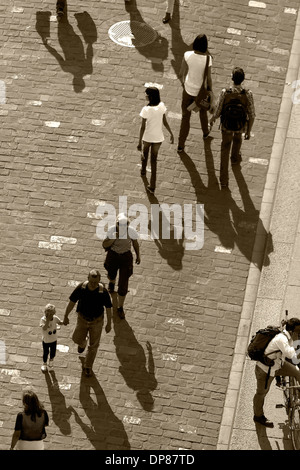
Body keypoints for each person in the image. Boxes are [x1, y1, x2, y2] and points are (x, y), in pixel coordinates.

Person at [210, 67, 255, 188]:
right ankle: (235, 158)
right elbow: (252, 114)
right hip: (240, 125)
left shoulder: (226, 92)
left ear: (232, 78)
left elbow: (218, 110)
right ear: (243, 79)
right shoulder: (247, 94)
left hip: (226, 125)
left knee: (225, 149)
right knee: (238, 138)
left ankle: (224, 181)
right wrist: (248, 131)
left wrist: (213, 118)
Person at [63, 269, 112, 377]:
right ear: (88, 278)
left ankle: (88, 366)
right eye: (91, 282)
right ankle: (82, 343)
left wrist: (109, 323)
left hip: (97, 321)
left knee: (93, 346)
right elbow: (72, 302)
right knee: (76, 338)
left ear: (99, 280)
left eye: (96, 282)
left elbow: (108, 308)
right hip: (82, 319)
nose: (93, 284)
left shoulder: (103, 292)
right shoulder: (81, 288)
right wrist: (66, 315)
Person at [253, 318, 300, 428]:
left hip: (277, 365)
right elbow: (292, 356)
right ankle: (258, 416)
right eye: (298, 333)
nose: (298, 336)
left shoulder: (287, 335)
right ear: (292, 332)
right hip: (265, 370)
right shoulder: (281, 339)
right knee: (261, 393)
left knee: (297, 372)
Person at [177, 34, 213, 153]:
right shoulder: (208, 59)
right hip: (200, 93)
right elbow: (208, 79)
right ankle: (205, 133)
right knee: (203, 113)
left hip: (188, 90)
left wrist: (184, 84)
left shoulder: (187, 55)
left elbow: (181, 73)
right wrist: (210, 91)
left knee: (185, 118)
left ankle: (181, 145)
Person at [102, 213, 141, 319]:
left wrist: (138, 255)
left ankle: (120, 307)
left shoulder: (131, 231)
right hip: (113, 256)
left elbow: (135, 243)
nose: (123, 227)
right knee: (111, 273)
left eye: (125, 224)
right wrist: (114, 237)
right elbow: (105, 245)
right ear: (116, 223)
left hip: (125, 257)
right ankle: (112, 282)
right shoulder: (112, 230)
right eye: (120, 224)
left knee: (123, 283)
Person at [138, 87, 174, 194]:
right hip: (158, 138)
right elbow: (165, 122)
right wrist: (171, 133)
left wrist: (139, 141)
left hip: (148, 137)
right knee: (154, 162)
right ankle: (152, 186)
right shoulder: (162, 106)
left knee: (145, 154)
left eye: (146, 94)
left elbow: (142, 127)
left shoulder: (146, 110)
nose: (145, 95)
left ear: (150, 97)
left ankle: (143, 171)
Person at [40, 303, 63, 372]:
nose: (50, 316)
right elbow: (44, 328)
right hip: (46, 340)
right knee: (45, 352)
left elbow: (59, 322)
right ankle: (44, 363)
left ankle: (51, 361)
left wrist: (64, 321)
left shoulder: (55, 318)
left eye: (51, 314)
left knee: (53, 352)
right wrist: (47, 320)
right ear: (45, 313)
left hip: (53, 339)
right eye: (48, 314)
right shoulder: (43, 319)